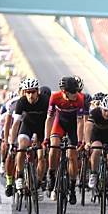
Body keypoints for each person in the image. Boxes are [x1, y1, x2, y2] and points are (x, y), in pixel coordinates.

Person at [45, 76, 87, 204]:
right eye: (73, 92)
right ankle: (51, 174)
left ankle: (72, 187)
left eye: (76, 91)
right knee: (54, 147)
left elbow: (80, 122)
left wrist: (80, 141)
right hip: (59, 123)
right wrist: (47, 138)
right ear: (64, 92)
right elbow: (50, 119)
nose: (76, 94)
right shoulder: (55, 97)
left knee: (72, 156)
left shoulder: (80, 99)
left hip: (73, 126)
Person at [9, 78, 49, 200]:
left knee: (41, 156)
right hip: (27, 127)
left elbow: (50, 121)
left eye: (32, 92)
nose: (30, 95)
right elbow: (16, 123)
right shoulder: (21, 102)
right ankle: (20, 176)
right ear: (25, 92)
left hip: (42, 129)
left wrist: (46, 138)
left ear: (37, 92)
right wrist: (11, 142)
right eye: (28, 92)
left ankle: (37, 183)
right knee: (22, 147)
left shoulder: (45, 101)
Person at [85, 94, 108, 208]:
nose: (107, 113)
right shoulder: (95, 113)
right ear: (101, 108)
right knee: (96, 150)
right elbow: (88, 127)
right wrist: (87, 142)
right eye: (105, 110)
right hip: (97, 135)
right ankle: (94, 173)